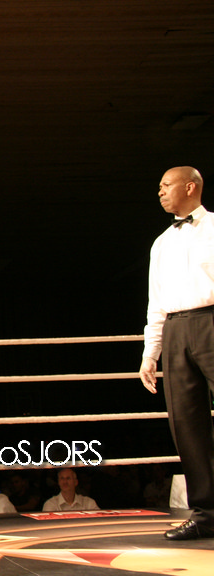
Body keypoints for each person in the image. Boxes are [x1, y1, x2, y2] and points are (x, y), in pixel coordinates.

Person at [139, 166, 214, 541]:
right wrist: (150, 352)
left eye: (166, 185)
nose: (160, 192)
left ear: (190, 187)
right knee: (186, 424)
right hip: (175, 329)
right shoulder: (161, 243)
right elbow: (156, 301)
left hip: (211, 320)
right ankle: (206, 514)